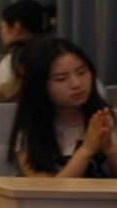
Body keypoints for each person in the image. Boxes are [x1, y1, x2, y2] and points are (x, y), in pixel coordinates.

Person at [11, 37, 117, 179]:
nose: (76, 84)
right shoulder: (30, 136)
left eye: (82, 72)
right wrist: (86, 150)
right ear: (40, 85)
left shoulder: (110, 119)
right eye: (61, 78)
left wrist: (110, 149)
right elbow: (46, 190)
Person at [0, 0, 56, 104]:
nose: (0, 33)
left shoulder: (11, 61)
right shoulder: (58, 52)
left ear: (17, 27)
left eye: (1, 27)